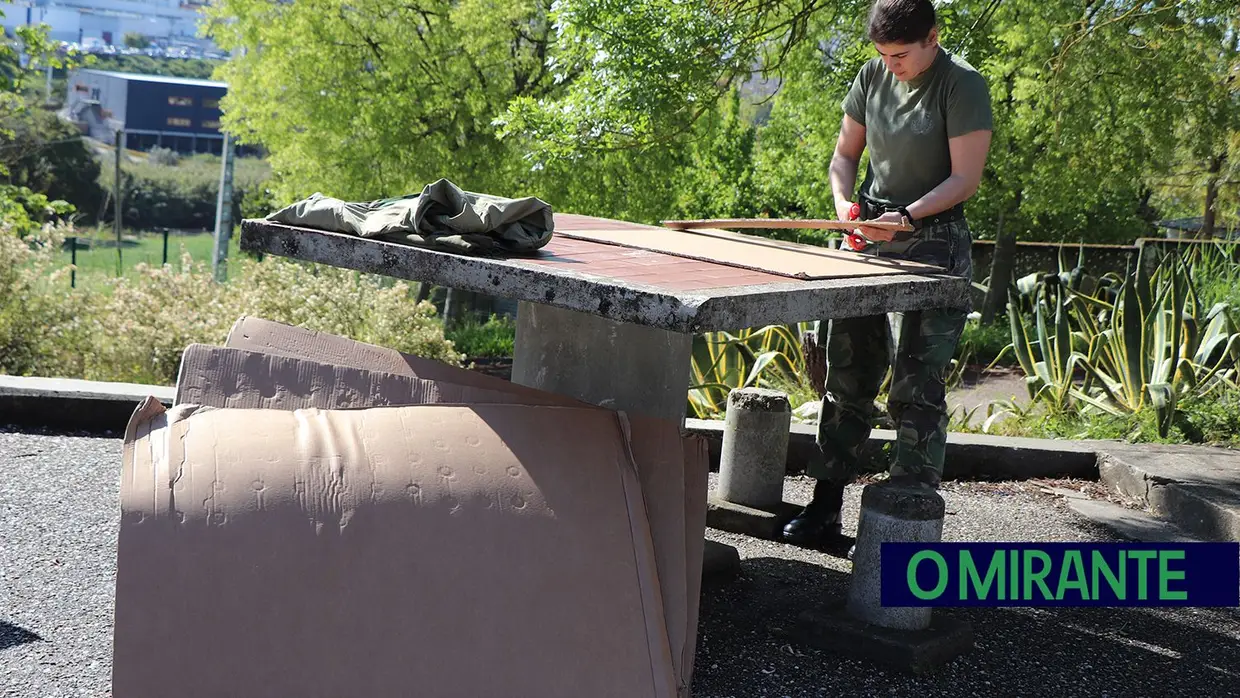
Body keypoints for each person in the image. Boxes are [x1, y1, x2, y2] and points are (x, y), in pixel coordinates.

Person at [781, 0, 993, 551]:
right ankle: (825, 507)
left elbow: (966, 179)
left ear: (933, 38)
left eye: (901, 54)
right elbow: (844, 155)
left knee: (917, 385)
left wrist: (907, 216)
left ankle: (904, 531)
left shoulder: (963, 84)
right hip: (868, 235)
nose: (890, 64)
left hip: (934, 240)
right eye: (882, 54)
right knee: (848, 375)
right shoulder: (874, 73)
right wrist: (845, 205)